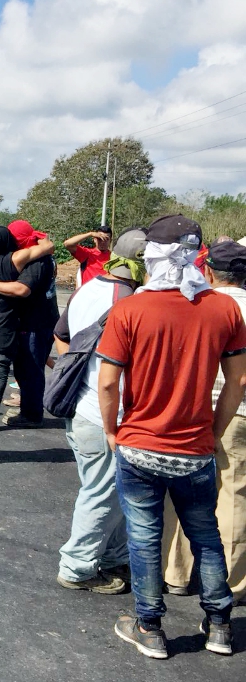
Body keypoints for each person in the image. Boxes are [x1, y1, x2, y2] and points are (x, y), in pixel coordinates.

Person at [98, 214, 244, 659]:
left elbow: (107, 384)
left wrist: (111, 431)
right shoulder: (224, 308)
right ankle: (219, 624)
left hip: (140, 444)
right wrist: (213, 433)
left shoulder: (131, 309)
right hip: (195, 447)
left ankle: (150, 627)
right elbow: (237, 383)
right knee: (206, 534)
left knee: (144, 536)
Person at [53, 228, 147, 595]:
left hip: (81, 406)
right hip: (104, 411)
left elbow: (60, 337)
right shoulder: (131, 302)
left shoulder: (87, 288)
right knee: (102, 492)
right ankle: (76, 568)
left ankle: (112, 557)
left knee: (109, 492)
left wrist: (77, 374)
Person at [163, 239, 246, 608]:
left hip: (195, 408)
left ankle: (175, 573)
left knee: (184, 492)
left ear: (208, 270)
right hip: (241, 414)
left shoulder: (199, 305)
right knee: (234, 496)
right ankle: (227, 585)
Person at [0, 228, 55, 429]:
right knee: (2, 371)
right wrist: (41, 239)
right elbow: (49, 246)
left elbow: (22, 289)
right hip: (7, 327)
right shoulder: (18, 259)